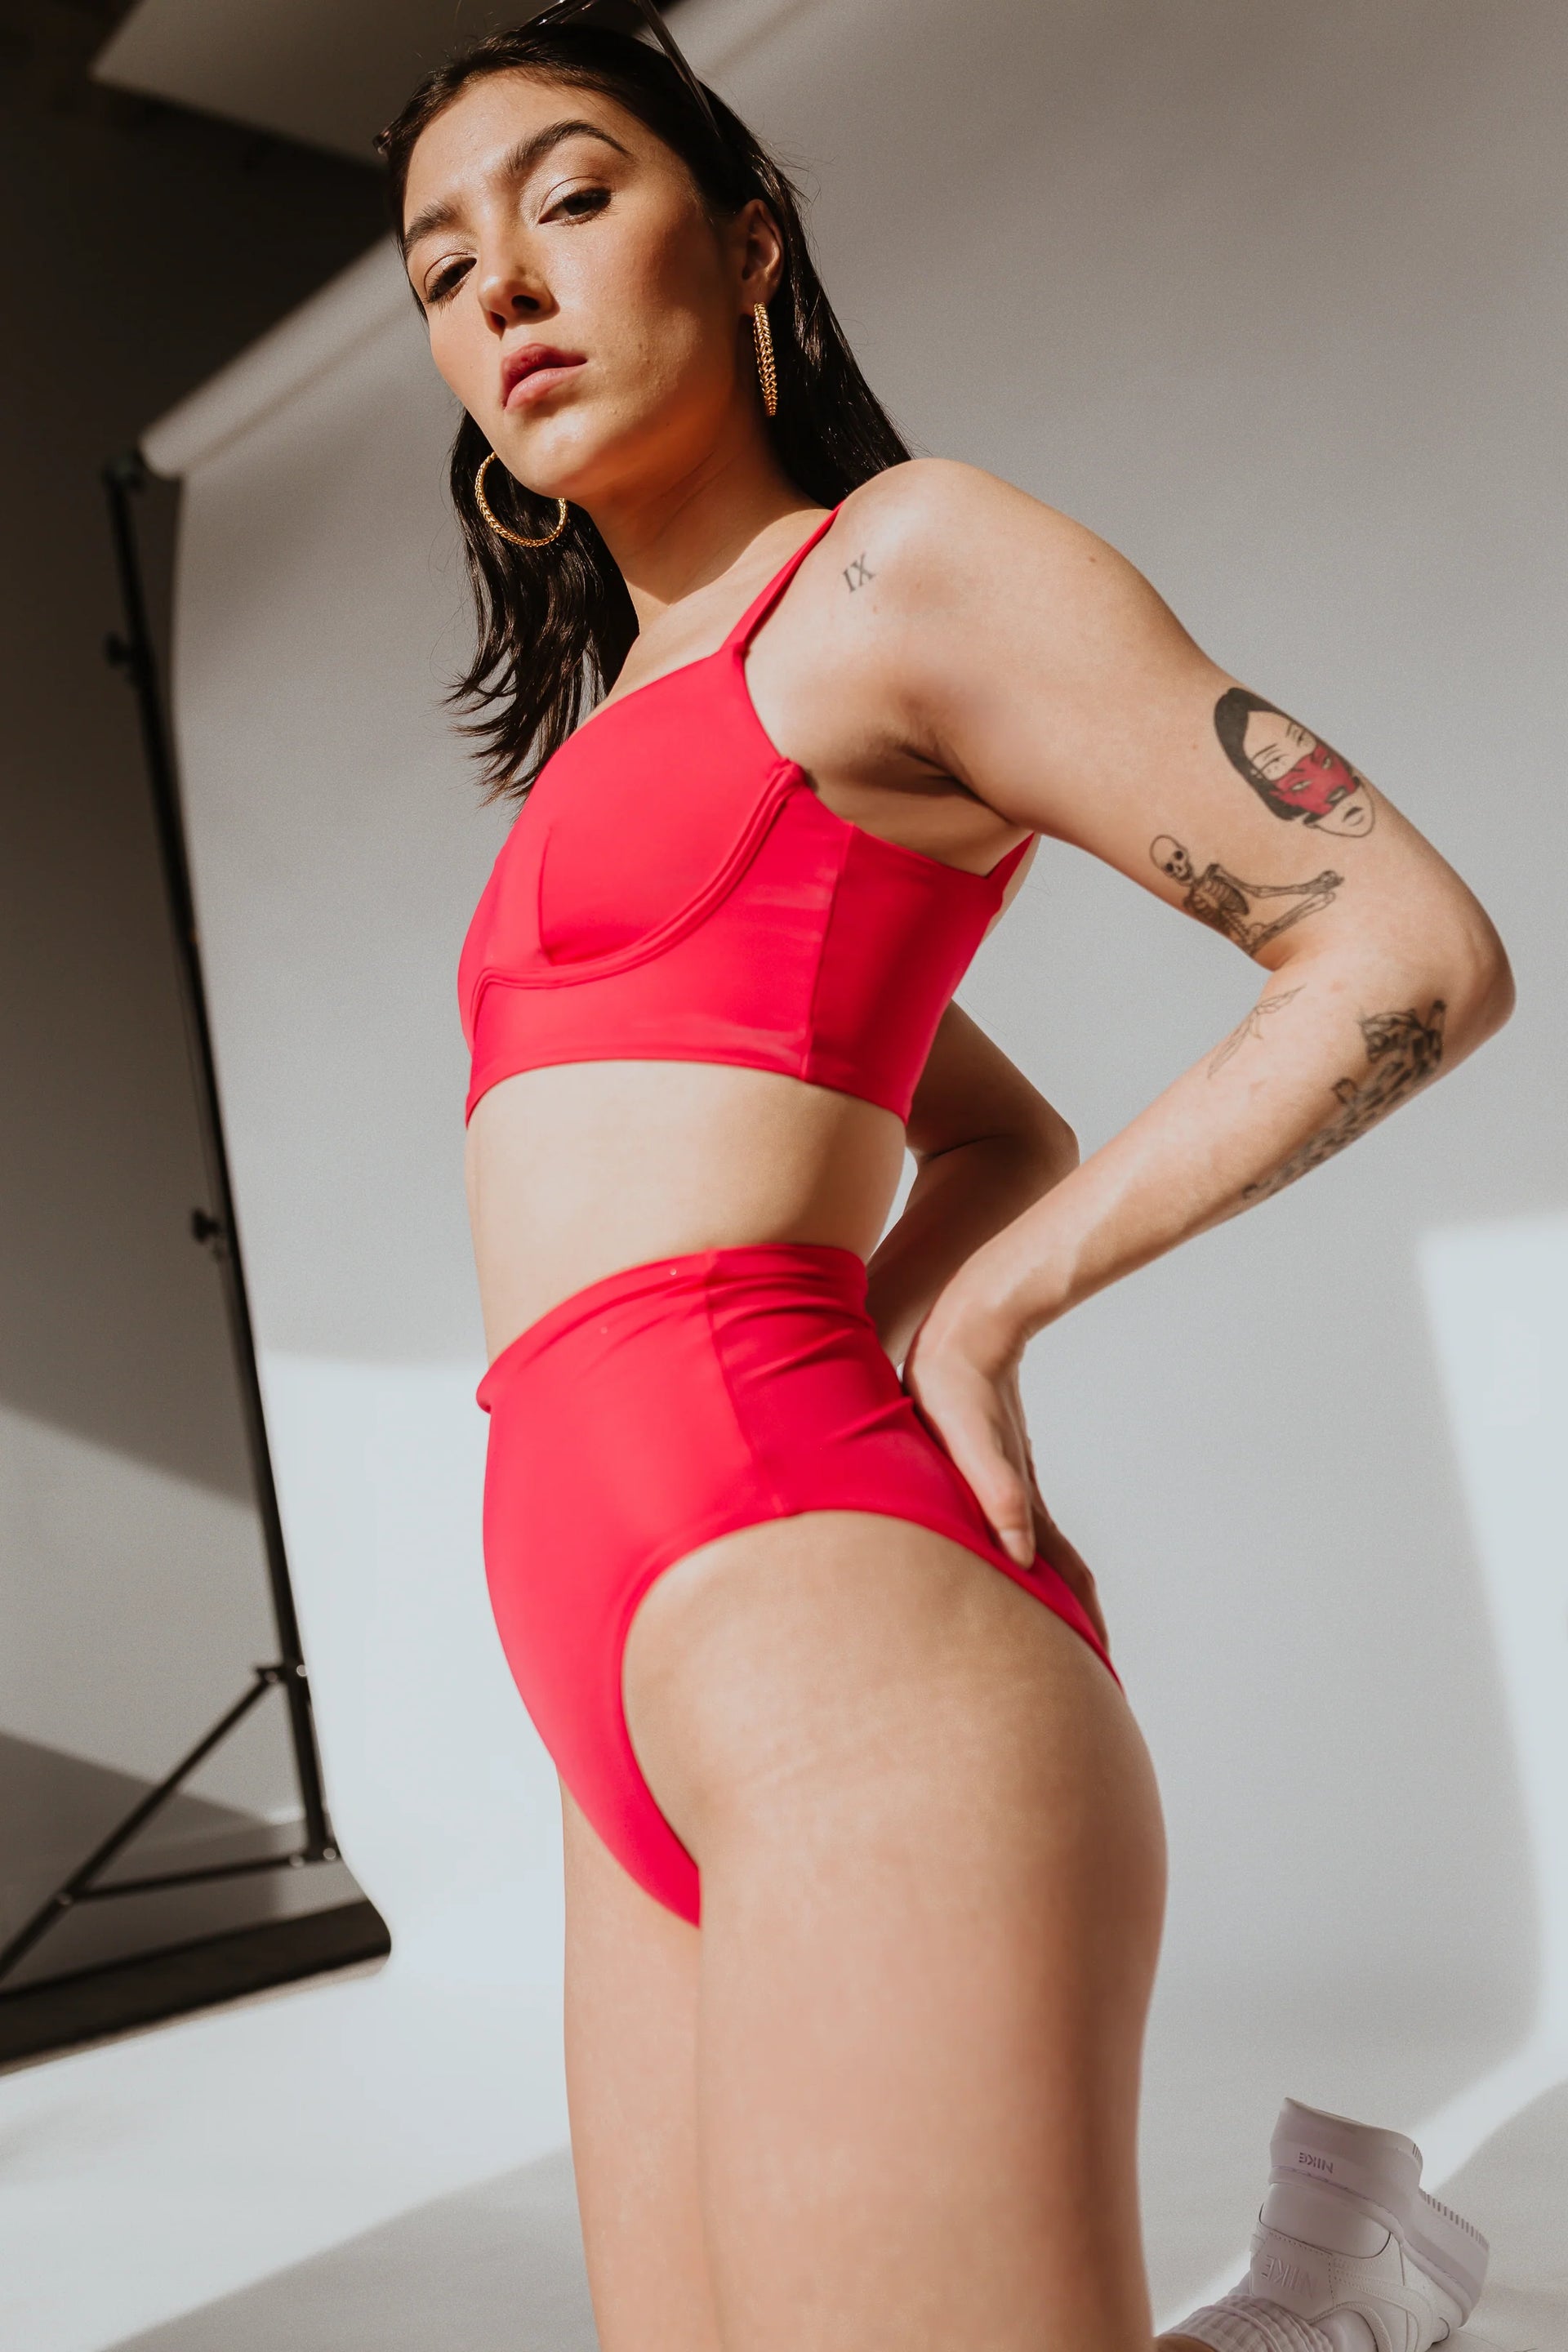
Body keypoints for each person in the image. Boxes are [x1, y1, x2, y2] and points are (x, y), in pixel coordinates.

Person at [375, 11, 1513, 2348]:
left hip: (835, 1644)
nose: (508, 287)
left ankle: (1332, 2302)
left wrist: (979, 1316)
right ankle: (1337, 2294)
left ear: (751, 244)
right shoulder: (621, 729)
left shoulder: (899, 571)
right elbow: (978, 1124)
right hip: (610, 1693)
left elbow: (1403, 949)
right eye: (445, 267)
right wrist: (937, 1260)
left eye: (570, 198)